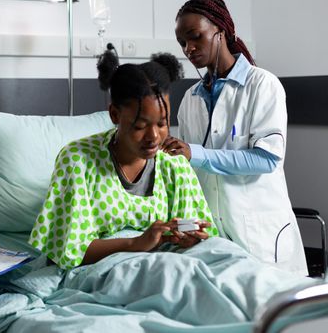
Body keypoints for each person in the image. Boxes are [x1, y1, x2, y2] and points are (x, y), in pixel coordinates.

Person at [29, 49, 219, 270]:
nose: (153, 137)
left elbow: (199, 236)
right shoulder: (77, 160)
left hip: (171, 264)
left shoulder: (174, 163)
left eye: (162, 124)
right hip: (106, 271)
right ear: (114, 115)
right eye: (140, 126)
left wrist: (190, 238)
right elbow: (66, 252)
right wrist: (137, 243)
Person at [164, 0, 307, 275]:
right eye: (182, 43)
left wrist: (197, 154)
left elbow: (266, 160)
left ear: (220, 31)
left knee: (275, 313)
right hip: (214, 236)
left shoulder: (262, 85)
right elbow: (188, 172)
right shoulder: (191, 99)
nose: (188, 48)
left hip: (260, 236)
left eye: (195, 37)